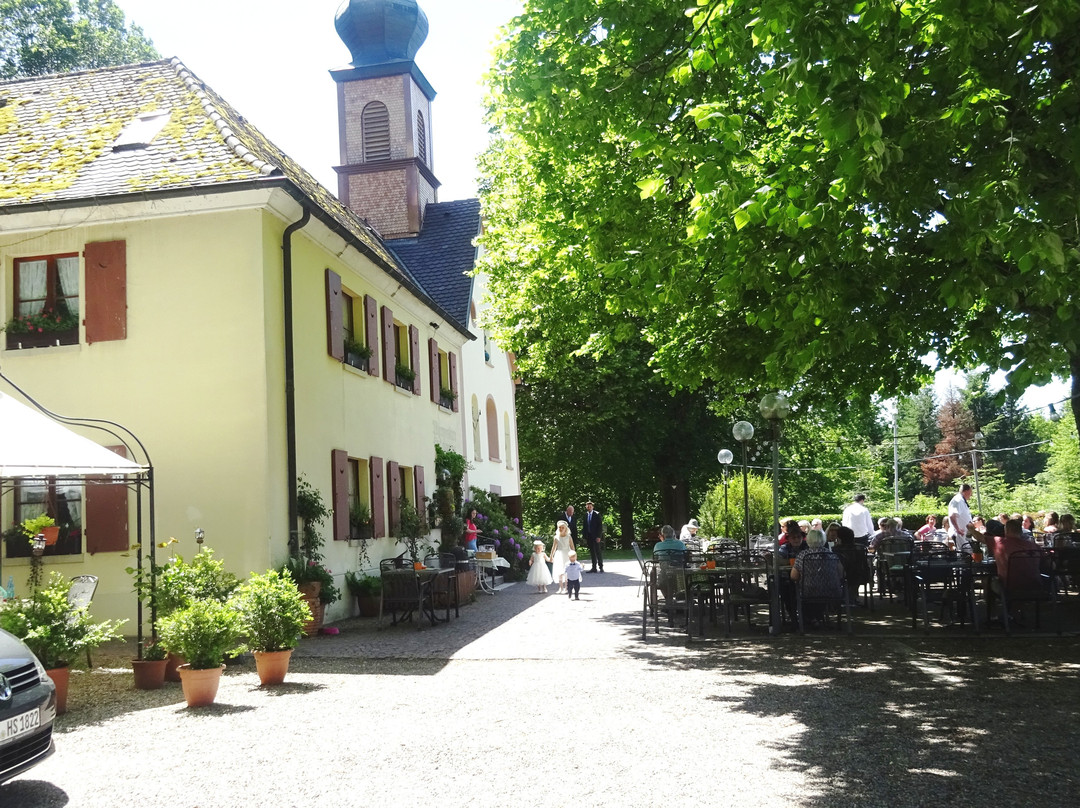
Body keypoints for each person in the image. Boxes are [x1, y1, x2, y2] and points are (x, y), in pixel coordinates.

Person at [791, 528, 845, 625]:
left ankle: (810, 619)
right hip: (832, 591)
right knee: (819, 592)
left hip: (809, 591)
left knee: (794, 592)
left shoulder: (803, 555)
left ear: (807, 540)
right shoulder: (832, 555)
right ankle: (816, 617)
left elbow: (794, 576)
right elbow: (841, 574)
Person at [947, 484, 975, 551]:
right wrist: (958, 529)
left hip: (964, 534)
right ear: (966, 491)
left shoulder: (962, 501)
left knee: (968, 553)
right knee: (964, 554)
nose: (971, 495)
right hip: (960, 534)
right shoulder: (958, 501)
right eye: (970, 492)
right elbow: (952, 516)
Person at [549, 520, 575, 594]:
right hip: (559, 554)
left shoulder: (568, 537)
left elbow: (572, 547)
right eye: (559, 527)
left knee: (566, 572)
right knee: (559, 571)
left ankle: (566, 588)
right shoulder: (556, 537)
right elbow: (553, 548)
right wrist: (551, 556)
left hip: (567, 554)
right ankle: (560, 587)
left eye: (562, 527)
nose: (561, 529)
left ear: (566, 529)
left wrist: (573, 556)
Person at [583, 500, 604, 573]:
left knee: (598, 551)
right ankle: (594, 567)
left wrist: (599, 536)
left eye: (590, 506)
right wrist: (584, 536)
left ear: (592, 507)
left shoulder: (597, 514)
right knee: (592, 552)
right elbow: (585, 526)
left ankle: (601, 566)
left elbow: (600, 526)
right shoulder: (586, 515)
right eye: (587, 506)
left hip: (596, 536)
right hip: (589, 536)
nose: (588, 507)